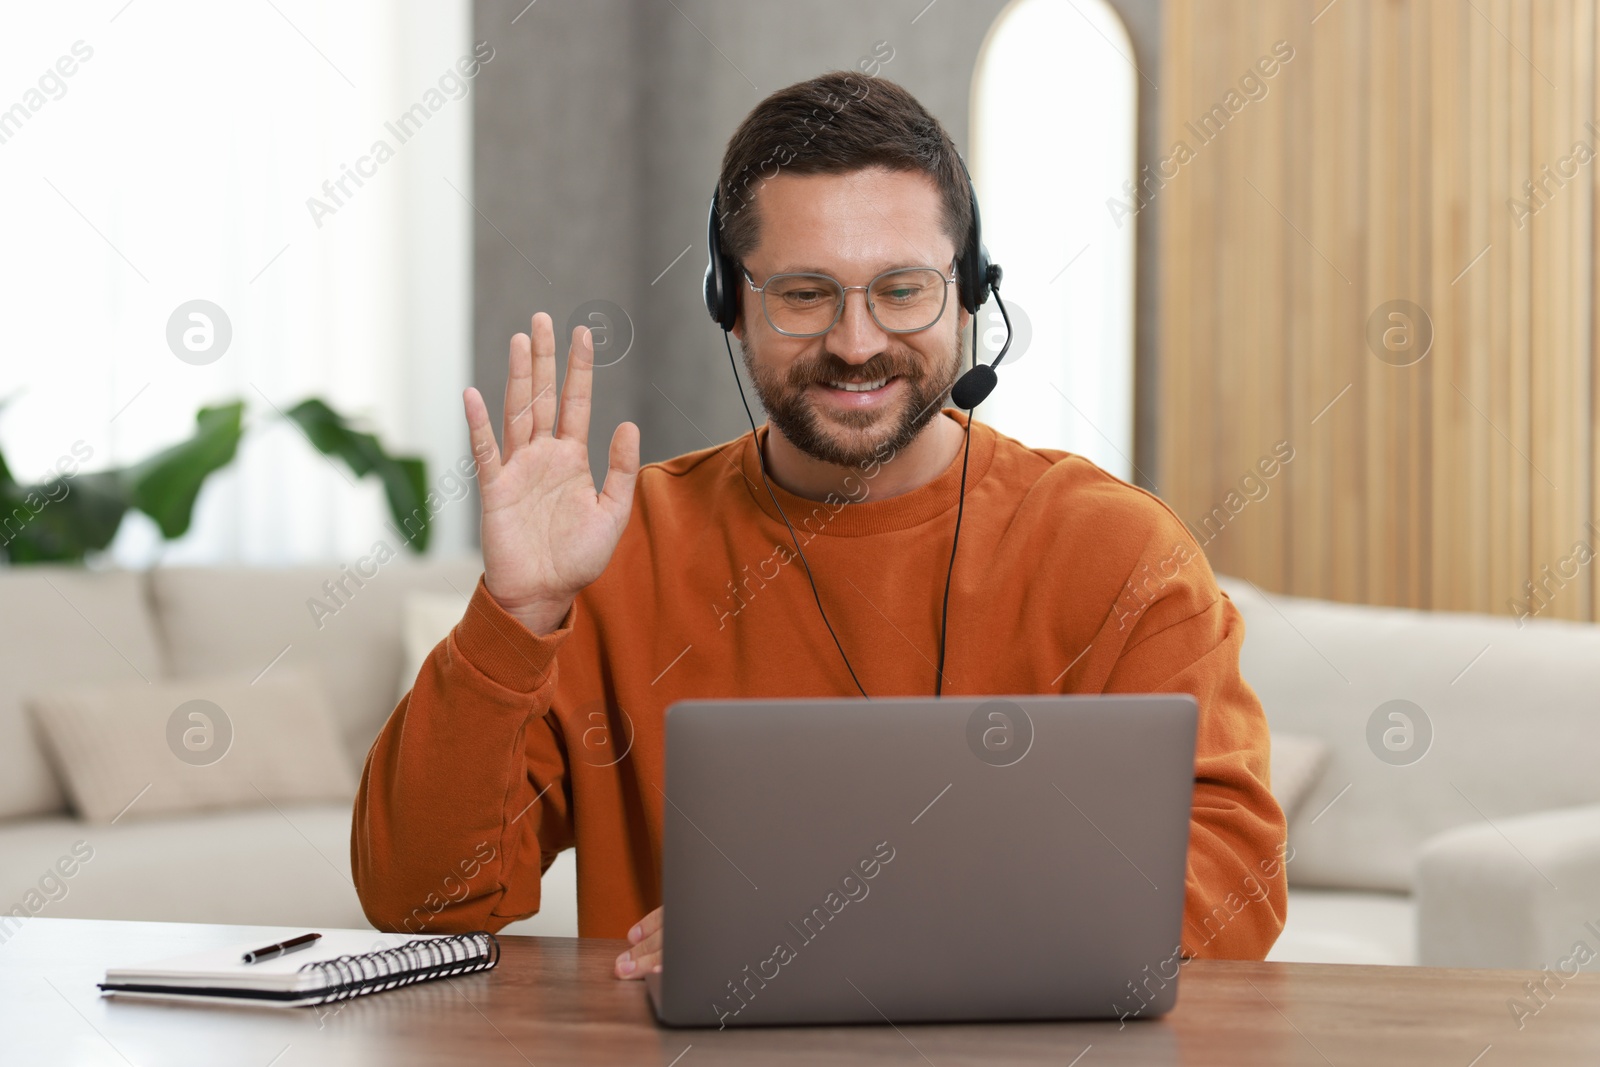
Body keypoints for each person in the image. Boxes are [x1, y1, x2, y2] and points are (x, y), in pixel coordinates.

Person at [352, 71, 1287, 980]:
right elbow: (422, 898)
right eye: (803, 293)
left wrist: (875, 926)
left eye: (902, 288)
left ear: (968, 292)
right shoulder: (618, 555)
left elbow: (1232, 887)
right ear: (731, 305)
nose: (856, 341)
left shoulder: (1121, 554)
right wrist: (517, 614)